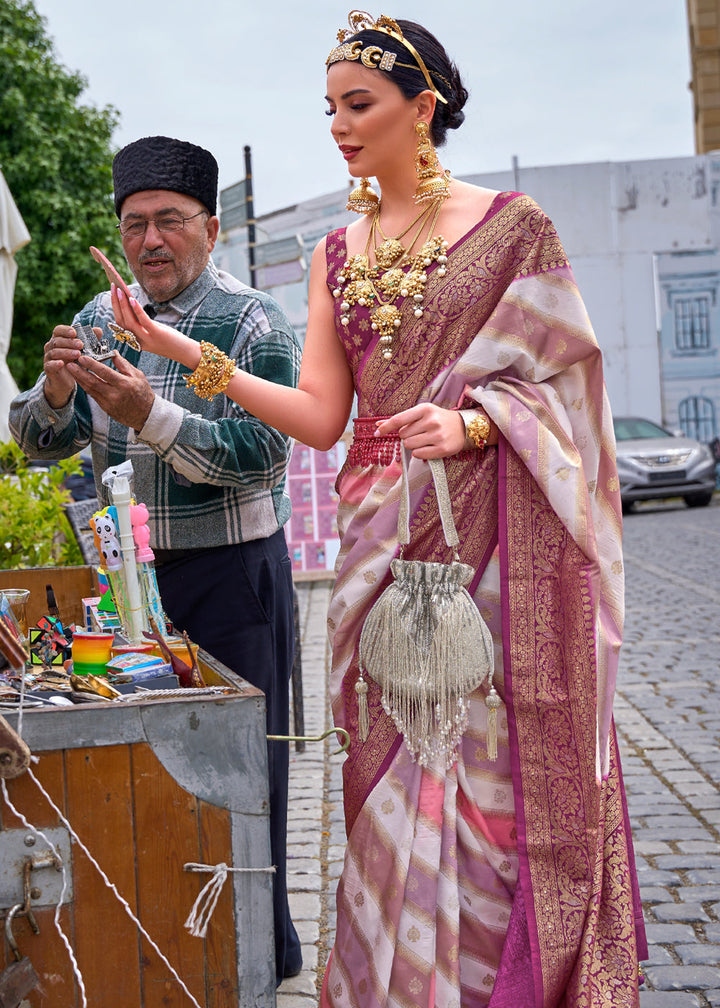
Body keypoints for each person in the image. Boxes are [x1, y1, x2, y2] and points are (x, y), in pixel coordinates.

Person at [107, 17, 648, 1007]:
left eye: (359, 105)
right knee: (386, 780)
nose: (341, 127)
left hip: (488, 554)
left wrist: (481, 426)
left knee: (484, 778)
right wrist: (182, 355)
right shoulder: (332, 254)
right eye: (331, 110)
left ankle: (494, 982)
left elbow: (568, 390)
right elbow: (318, 418)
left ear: (423, 106)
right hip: (380, 557)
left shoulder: (513, 229)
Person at [8, 135, 303, 985]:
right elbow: (39, 445)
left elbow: (263, 451)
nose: (150, 242)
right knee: (142, 772)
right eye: (135, 225)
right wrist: (56, 393)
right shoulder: (103, 317)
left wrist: (149, 413)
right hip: (125, 585)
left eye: (170, 222)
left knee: (246, 775)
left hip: (235, 579)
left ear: (211, 227)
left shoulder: (252, 321)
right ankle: (164, 956)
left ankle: (257, 963)